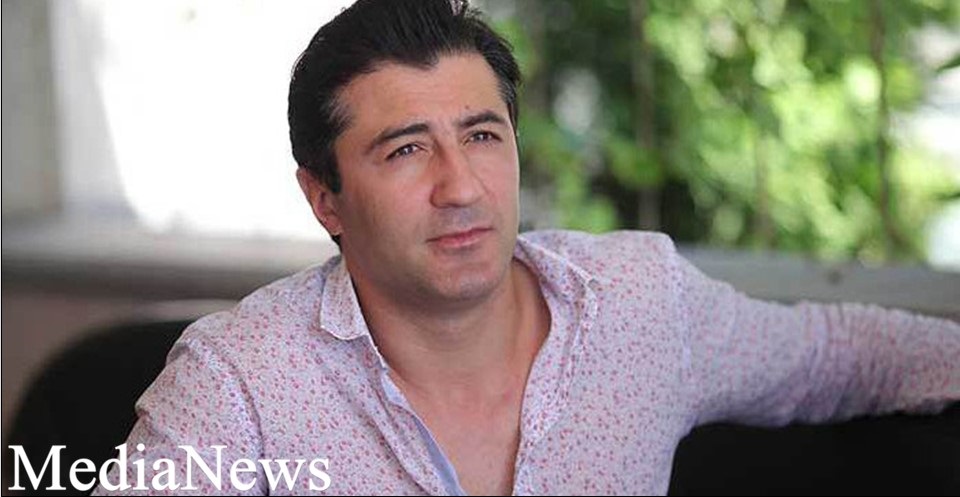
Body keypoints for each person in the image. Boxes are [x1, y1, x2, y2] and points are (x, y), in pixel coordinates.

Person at [95, 0, 959, 494]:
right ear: (325, 197)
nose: (461, 186)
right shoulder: (240, 381)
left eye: (481, 135)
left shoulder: (638, 301)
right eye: (405, 150)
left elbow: (840, 354)